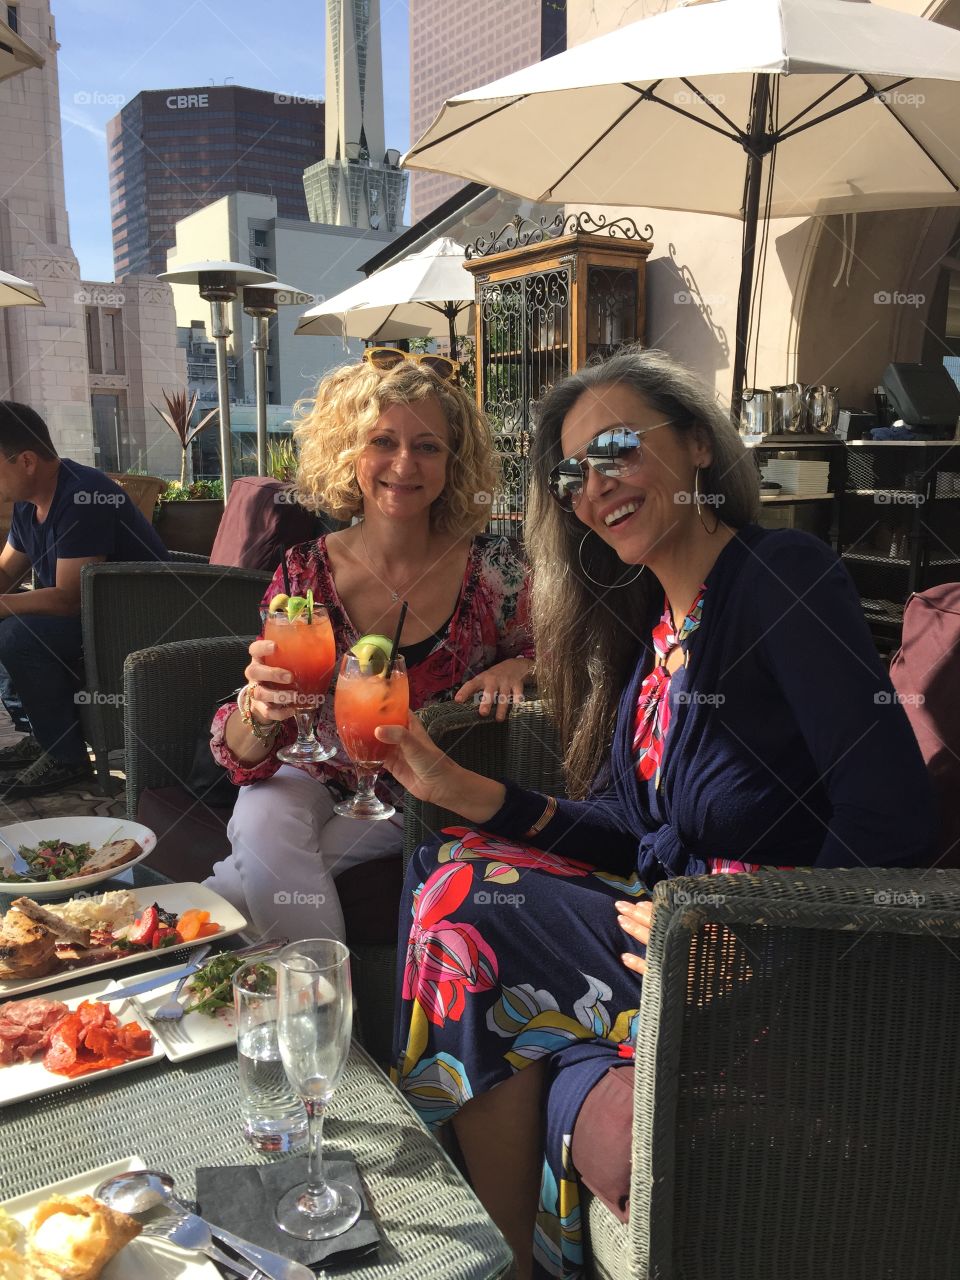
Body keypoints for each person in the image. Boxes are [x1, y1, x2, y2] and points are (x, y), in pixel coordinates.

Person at [373, 348, 935, 1279]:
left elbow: (891, 810)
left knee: (462, 900)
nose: (595, 486)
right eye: (573, 472)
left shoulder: (779, 577)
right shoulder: (654, 635)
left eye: (620, 449)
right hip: (668, 926)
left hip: (765, 968)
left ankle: (494, 1258)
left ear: (702, 451)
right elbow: (636, 837)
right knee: (449, 854)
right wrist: (458, 789)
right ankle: (498, 1249)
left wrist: (748, 939)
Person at [206, 355, 534, 942]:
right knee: (261, 814)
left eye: (428, 446)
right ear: (349, 453)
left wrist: (523, 662)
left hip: (414, 784)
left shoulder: (497, 571)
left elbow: (565, 657)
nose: (404, 464)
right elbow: (243, 752)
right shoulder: (305, 569)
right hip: (311, 770)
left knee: (247, 877)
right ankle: (328, 1022)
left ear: (453, 462)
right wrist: (258, 708)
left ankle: (298, 1004)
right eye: (383, 441)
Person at [0, 401, 169, 796]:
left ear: (26, 461)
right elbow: (7, 570)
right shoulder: (29, 505)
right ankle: (43, 737)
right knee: (13, 627)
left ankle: (66, 758)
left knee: (17, 636)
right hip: (95, 617)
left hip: (142, 621)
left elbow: (69, 599)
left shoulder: (83, 495)